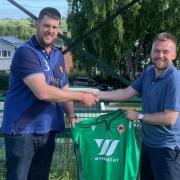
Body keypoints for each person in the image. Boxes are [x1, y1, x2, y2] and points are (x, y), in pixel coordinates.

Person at [2, 7, 98, 180]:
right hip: (23, 132)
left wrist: (72, 115)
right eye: (47, 26)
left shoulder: (57, 55)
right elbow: (43, 92)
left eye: (55, 27)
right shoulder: (25, 52)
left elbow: (64, 89)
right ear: (37, 24)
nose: (51, 31)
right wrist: (81, 96)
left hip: (48, 130)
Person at [98, 32, 180, 180]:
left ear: (174, 55)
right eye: (156, 50)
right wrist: (97, 95)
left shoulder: (175, 79)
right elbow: (126, 93)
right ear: (151, 52)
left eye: (165, 51)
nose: (160, 55)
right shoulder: (149, 72)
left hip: (168, 150)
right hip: (148, 145)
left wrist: (138, 116)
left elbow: (170, 117)